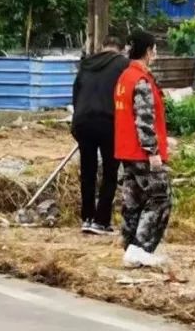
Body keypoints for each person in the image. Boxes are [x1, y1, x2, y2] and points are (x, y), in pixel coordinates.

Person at [113, 30, 172, 268]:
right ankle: (141, 248)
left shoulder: (124, 78)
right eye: (154, 49)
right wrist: (152, 151)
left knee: (133, 200)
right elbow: (144, 120)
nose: (155, 54)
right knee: (160, 198)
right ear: (148, 51)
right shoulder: (141, 80)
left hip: (126, 149)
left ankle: (130, 247)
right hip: (141, 152)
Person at [71, 36, 129, 235]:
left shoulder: (86, 64)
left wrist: (77, 121)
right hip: (108, 122)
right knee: (110, 171)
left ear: (102, 47)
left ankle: (87, 218)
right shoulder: (123, 64)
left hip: (83, 121)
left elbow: (76, 94)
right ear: (121, 49)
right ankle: (101, 221)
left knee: (88, 170)